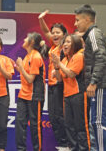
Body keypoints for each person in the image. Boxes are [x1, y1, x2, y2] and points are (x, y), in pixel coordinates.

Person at [74, 4, 106, 151]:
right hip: (99, 84)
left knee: (98, 122)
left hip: (101, 85)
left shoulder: (94, 34)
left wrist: (93, 82)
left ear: (87, 20)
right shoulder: (90, 35)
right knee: (95, 122)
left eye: (78, 20)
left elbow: (102, 57)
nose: (75, 23)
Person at [52, 34, 90, 150]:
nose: (65, 44)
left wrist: (59, 65)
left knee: (80, 126)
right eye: (65, 42)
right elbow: (59, 79)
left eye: (68, 42)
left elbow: (71, 74)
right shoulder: (64, 59)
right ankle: (73, 148)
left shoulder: (79, 56)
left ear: (75, 44)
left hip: (79, 95)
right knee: (69, 126)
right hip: (67, 96)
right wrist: (57, 67)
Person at [38, 10, 69, 150]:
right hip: (51, 84)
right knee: (52, 116)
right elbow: (46, 32)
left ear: (64, 35)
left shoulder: (65, 47)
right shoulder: (54, 46)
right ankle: (61, 144)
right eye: (54, 32)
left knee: (60, 116)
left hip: (60, 84)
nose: (55, 35)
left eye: (58, 32)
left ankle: (66, 144)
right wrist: (41, 19)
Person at [14, 32, 47, 151]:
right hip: (23, 95)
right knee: (19, 123)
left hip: (34, 96)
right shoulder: (27, 56)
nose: (24, 39)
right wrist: (18, 67)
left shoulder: (36, 56)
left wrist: (20, 67)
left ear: (32, 42)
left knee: (35, 126)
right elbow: (25, 74)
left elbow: (30, 79)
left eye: (26, 38)